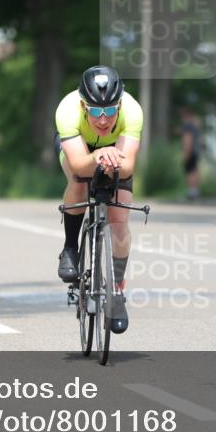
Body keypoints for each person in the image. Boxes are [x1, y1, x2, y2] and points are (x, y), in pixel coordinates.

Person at [55, 66, 143, 330]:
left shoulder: (133, 110)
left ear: (120, 104)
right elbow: (80, 165)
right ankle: (70, 248)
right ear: (84, 105)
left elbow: (127, 168)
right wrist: (96, 156)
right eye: (94, 111)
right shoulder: (67, 109)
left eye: (109, 110)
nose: (103, 119)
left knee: (119, 221)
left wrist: (112, 158)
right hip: (81, 151)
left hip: (118, 154)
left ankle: (117, 291)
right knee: (79, 183)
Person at [180, 106, 202, 201]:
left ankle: (191, 192)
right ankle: (196, 191)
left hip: (190, 150)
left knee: (190, 171)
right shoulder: (195, 125)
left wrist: (186, 153)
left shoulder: (187, 125)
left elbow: (187, 139)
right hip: (196, 150)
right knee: (195, 170)